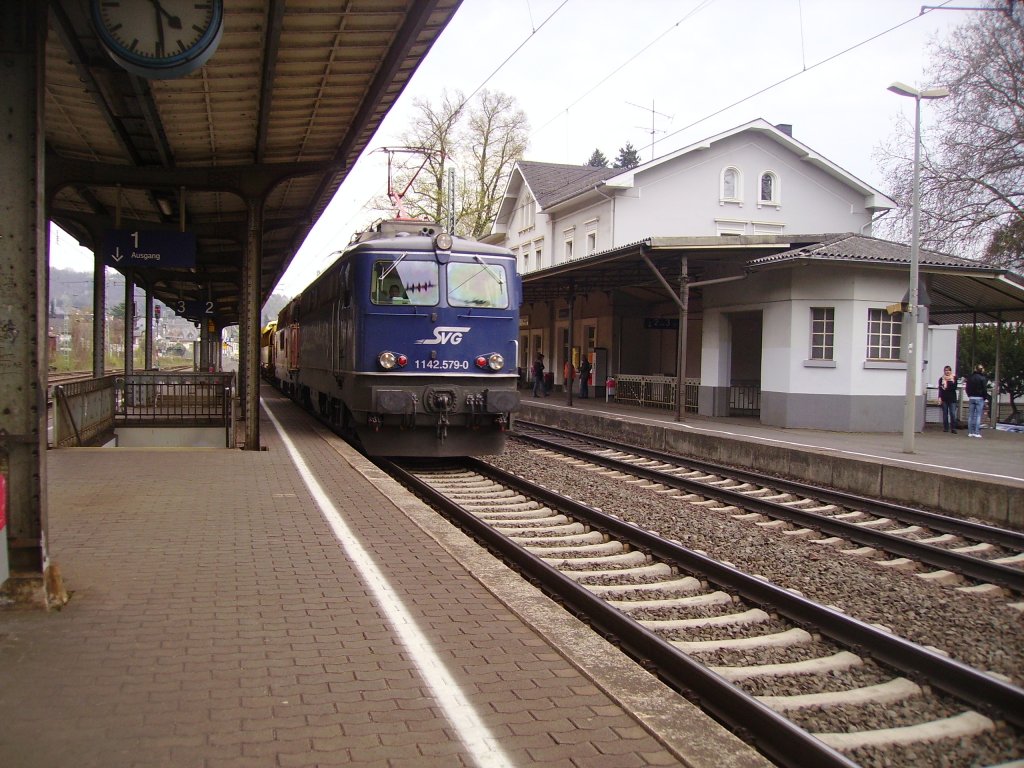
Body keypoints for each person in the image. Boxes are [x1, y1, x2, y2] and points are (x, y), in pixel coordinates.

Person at [965, 364, 988, 438]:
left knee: (971, 416)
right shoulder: (982, 378)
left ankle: (970, 432)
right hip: (980, 398)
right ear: (981, 370)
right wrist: (984, 397)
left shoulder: (970, 377)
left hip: (971, 397)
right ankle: (977, 432)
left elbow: (967, 388)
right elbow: (984, 389)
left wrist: (969, 395)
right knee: (978, 416)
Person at [937, 365, 958, 433]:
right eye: (946, 370)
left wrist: (947, 386)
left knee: (952, 413)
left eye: (948, 370)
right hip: (944, 398)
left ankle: (953, 428)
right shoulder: (941, 379)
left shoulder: (954, 378)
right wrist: (939, 397)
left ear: (950, 371)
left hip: (952, 398)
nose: (947, 372)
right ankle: (946, 428)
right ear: (944, 371)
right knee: (945, 414)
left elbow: (954, 387)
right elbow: (941, 389)